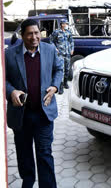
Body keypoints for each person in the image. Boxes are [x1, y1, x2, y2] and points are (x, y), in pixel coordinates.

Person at [5, 19, 63, 188]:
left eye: (36, 33)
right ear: (22, 35)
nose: (34, 37)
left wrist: (54, 86)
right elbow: (4, 78)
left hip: (43, 114)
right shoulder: (10, 54)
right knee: (24, 156)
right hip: (21, 115)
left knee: (44, 154)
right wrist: (11, 91)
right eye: (29, 33)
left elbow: (59, 69)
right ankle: (28, 183)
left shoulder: (50, 50)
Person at [50, 18, 74, 94]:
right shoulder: (56, 32)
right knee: (61, 70)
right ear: (62, 24)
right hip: (60, 54)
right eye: (65, 24)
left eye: (67, 24)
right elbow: (51, 41)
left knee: (67, 69)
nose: (66, 25)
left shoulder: (68, 32)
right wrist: (55, 49)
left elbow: (71, 41)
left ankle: (65, 83)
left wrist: (72, 49)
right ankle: (60, 86)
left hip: (67, 54)